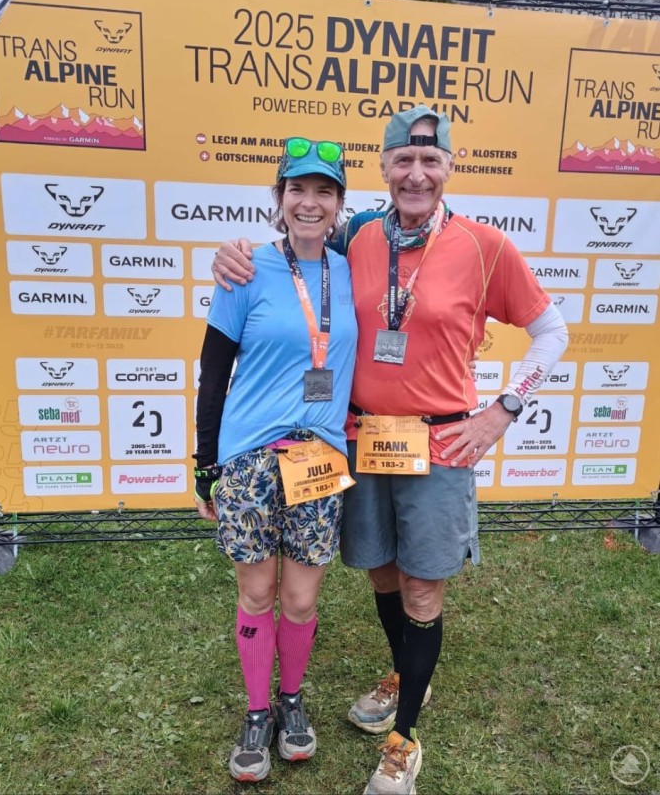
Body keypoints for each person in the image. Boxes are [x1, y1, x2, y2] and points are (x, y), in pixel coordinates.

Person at [212, 104, 569, 794]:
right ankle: (407, 675)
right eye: (402, 160)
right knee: (378, 570)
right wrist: (232, 255)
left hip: (439, 446)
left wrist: (502, 411)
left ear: (447, 168)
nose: (415, 173)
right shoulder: (356, 236)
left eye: (429, 161)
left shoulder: (485, 245)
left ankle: (404, 739)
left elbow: (550, 331)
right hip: (359, 439)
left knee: (422, 588)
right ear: (383, 167)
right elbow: (293, 245)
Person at [193, 136, 357, 782]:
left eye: (323, 191)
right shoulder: (245, 268)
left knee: (298, 598)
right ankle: (258, 710)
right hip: (248, 461)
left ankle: (292, 700)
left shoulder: (354, 270)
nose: (309, 202)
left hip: (318, 459)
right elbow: (212, 372)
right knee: (256, 591)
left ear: (340, 204)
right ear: (279, 199)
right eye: (297, 189)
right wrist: (205, 463)